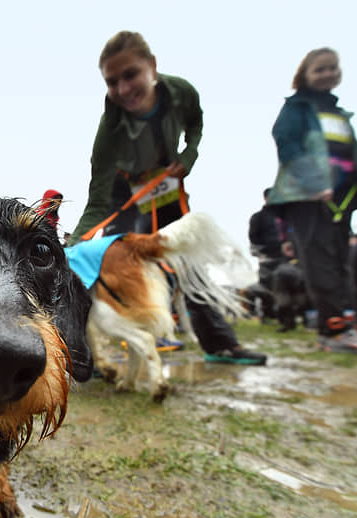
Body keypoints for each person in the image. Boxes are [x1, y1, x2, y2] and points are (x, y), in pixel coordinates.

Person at [68, 30, 266, 366]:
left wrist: (188, 155)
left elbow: (196, 125)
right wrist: (74, 243)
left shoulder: (182, 93)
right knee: (116, 265)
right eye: (112, 82)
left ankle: (219, 344)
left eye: (130, 75)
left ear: (153, 67)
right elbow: (97, 200)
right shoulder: (109, 132)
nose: (122, 89)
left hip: (165, 187)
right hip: (124, 196)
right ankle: (92, 354)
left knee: (185, 259)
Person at [267, 47, 357, 353]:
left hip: (341, 200)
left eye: (333, 68)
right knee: (319, 262)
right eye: (319, 69)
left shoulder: (339, 115)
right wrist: (314, 182)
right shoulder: (297, 108)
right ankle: (332, 330)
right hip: (308, 197)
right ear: (304, 74)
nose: (328, 73)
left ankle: (343, 323)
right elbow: (286, 143)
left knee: (340, 259)